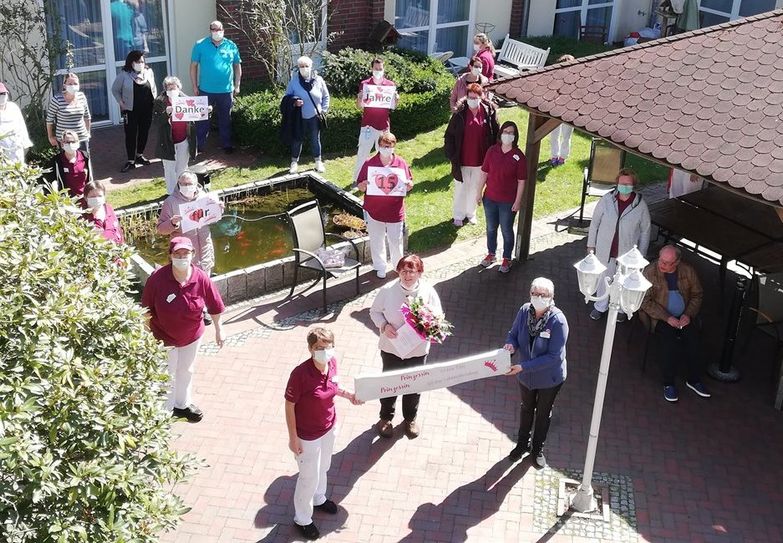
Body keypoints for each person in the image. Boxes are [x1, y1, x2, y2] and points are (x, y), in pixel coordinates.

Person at [284, 327, 362, 541]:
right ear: (310, 349)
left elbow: (333, 386)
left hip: (329, 427)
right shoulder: (300, 374)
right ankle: (303, 519)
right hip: (307, 435)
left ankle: (319, 498)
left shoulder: (332, 363)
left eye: (328, 347)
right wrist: (293, 438)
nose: (324, 351)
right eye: (319, 348)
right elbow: (289, 406)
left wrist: (350, 395)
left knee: (324, 467)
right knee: (307, 476)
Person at [141, 236, 225, 422]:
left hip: (192, 336)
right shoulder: (157, 279)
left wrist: (219, 328)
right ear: (170, 256)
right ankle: (164, 410)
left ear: (192, 255)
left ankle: (182, 404)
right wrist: (147, 335)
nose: (181, 257)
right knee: (166, 372)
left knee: (186, 370)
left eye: (185, 253)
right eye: (177, 253)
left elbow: (215, 305)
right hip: (163, 337)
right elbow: (146, 309)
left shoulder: (201, 277)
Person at [369, 255, 443, 439]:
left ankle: (410, 419)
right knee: (389, 384)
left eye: (412, 271)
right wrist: (385, 326)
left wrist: (429, 325)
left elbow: (439, 315)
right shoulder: (387, 291)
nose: (407, 275)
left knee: (414, 385)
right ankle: (385, 418)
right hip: (392, 348)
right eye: (403, 271)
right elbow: (374, 312)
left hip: (416, 350)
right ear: (398, 272)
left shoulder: (428, 291)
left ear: (419, 272)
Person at [503, 277, 568, 469]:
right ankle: (522, 444)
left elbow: (554, 357)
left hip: (549, 378)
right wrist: (510, 346)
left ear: (551, 297)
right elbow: (513, 334)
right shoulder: (524, 311)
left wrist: (524, 366)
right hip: (526, 377)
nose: (538, 297)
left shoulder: (558, 321)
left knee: (543, 413)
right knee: (526, 408)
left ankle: (537, 448)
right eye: (535, 293)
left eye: (543, 295)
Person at [641, 245, 711, 402]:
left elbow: (697, 295)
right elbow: (645, 301)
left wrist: (688, 314)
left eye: (667, 263)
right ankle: (668, 383)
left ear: (677, 262)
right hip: (660, 319)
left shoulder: (688, 271)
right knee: (669, 345)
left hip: (684, 317)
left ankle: (693, 379)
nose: (662, 265)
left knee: (694, 341)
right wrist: (667, 318)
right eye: (661, 260)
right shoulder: (649, 272)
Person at [586, 168, 651, 321]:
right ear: (617, 183)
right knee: (604, 279)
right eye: (622, 183)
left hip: (627, 253)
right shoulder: (607, 200)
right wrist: (591, 245)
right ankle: (600, 306)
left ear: (634, 185)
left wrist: (641, 256)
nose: (625, 186)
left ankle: (621, 309)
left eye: (628, 184)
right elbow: (595, 223)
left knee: (624, 281)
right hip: (605, 250)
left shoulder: (640, 206)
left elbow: (645, 231)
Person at [356, 131, 413, 278]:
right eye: (383, 145)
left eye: (389, 146)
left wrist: (408, 185)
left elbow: (409, 183)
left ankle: (397, 265)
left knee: (396, 240)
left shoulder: (401, 163)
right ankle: (380, 266)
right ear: (379, 146)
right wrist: (363, 185)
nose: (386, 148)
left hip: (395, 210)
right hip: (375, 210)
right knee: (377, 239)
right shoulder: (369, 163)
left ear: (394, 146)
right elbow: (360, 185)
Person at [444, 82, 499, 227]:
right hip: (461, 160)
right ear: (466, 97)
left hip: (481, 161)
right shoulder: (459, 114)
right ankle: (458, 215)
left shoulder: (489, 112)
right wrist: (451, 155)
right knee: (461, 189)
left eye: (475, 97)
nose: (472, 100)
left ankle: (471, 213)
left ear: (481, 97)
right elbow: (449, 135)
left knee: (475, 188)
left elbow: (495, 134)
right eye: (470, 97)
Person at [477, 121, 526, 274]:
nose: (508, 135)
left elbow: (521, 181)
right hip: (490, 198)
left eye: (511, 133)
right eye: (505, 132)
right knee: (491, 228)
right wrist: (478, 192)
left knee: (506, 229)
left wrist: (518, 201)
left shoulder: (519, 156)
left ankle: (507, 258)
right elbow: (484, 173)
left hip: (508, 202)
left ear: (515, 136)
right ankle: (491, 254)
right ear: (500, 134)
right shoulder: (492, 151)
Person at [190, 20, 242, 154]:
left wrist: (237, 85)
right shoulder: (200, 45)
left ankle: (227, 144)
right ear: (210, 30)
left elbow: (237, 66)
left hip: (226, 90)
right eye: (213, 29)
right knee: (202, 119)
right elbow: (193, 66)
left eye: (219, 29)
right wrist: (194, 86)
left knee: (225, 119)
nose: (216, 31)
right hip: (206, 90)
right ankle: (199, 146)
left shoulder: (231, 46)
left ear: (223, 29)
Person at [157, 171, 217, 277]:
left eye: (189, 184)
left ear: (196, 184)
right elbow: (161, 229)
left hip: (205, 251)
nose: (186, 186)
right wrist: (172, 223)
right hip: (183, 256)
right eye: (183, 184)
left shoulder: (204, 197)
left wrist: (217, 210)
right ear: (178, 184)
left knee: (204, 285)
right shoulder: (170, 202)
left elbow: (212, 219)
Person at [352, 58, 398, 183]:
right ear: (372, 69)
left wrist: (396, 99)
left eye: (380, 69)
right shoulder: (365, 84)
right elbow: (359, 106)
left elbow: (393, 106)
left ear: (384, 69)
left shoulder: (390, 85)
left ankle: (382, 179)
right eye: (376, 69)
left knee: (384, 154)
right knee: (362, 153)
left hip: (383, 126)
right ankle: (357, 180)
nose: (378, 71)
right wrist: (359, 98)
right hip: (368, 125)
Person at [112, 50, 157, 173]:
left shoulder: (149, 72)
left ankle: (139, 155)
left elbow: (153, 88)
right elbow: (115, 89)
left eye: (142, 61)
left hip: (147, 109)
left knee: (144, 132)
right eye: (138, 62)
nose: (140, 64)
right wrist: (121, 103)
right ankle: (131, 160)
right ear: (131, 63)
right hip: (130, 110)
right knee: (131, 134)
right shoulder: (124, 75)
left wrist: (155, 102)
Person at [153, 76, 199, 195]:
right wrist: (166, 114)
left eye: (174, 87)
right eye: (169, 88)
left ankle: (182, 192)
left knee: (182, 168)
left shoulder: (186, 100)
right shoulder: (159, 102)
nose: (172, 90)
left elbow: (198, 114)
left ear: (179, 88)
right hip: (167, 141)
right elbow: (156, 122)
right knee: (169, 169)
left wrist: (207, 111)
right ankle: (171, 194)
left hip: (183, 139)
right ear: (165, 89)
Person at [285, 56, 330, 175]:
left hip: (315, 116)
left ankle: (318, 162)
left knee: (315, 139)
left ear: (311, 67)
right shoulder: (294, 82)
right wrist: (294, 102)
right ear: (298, 68)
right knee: (297, 140)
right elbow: (287, 98)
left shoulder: (318, 80)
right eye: (301, 66)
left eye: (306, 66)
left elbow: (326, 96)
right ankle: (294, 163)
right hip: (300, 117)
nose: (304, 68)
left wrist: (323, 111)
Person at [46, 73, 91, 152]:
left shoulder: (82, 97)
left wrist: (88, 132)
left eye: (75, 83)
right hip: (65, 141)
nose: (73, 86)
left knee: (84, 162)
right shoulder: (57, 99)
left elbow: (87, 116)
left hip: (82, 139)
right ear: (64, 85)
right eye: (70, 84)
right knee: (66, 163)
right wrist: (50, 137)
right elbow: (49, 120)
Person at [548, 56, 576, 165]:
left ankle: (563, 156)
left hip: (569, 111)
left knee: (566, 135)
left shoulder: (575, 81)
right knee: (554, 134)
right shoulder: (556, 79)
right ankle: (554, 155)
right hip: (556, 110)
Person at [51, 129, 93, 199]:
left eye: (73, 142)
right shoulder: (57, 160)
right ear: (62, 144)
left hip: (84, 197)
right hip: (67, 200)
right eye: (66, 142)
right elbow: (53, 181)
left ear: (78, 143)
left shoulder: (85, 156)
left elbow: (90, 178)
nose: (70, 144)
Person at [81, 180, 125, 245]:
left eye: (99, 196)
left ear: (104, 196)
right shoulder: (82, 217)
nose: (96, 198)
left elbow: (118, 229)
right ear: (85, 198)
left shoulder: (108, 208)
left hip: (117, 251)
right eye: (92, 196)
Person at [0, 81, 33, 164]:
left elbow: (21, 126)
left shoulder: (13, 107)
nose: (2, 96)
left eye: (4, 93)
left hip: (16, 147)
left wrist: (25, 144)